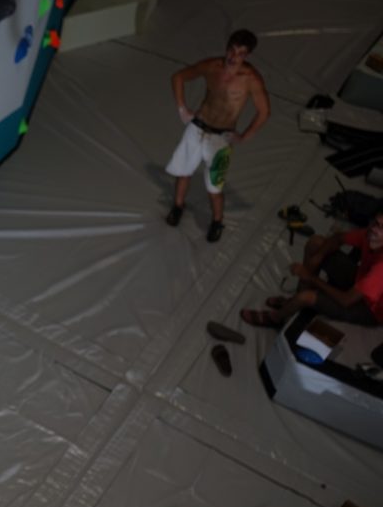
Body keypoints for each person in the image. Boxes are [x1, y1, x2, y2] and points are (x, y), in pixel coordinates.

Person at [164, 29, 271, 242]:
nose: (233, 57)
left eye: (240, 53)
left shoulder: (250, 79)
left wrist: (244, 136)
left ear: (246, 56)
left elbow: (264, 111)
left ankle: (217, 221)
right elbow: (178, 77)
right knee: (183, 172)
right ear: (226, 48)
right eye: (231, 50)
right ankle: (177, 206)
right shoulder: (212, 66)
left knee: (215, 187)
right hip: (197, 128)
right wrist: (182, 110)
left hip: (221, 138)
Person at [241, 206, 383, 328]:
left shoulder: (380, 270)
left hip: (368, 310)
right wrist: (318, 257)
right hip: (360, 281)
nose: (375, 230)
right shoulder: (370, 234)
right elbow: (338, 238)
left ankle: (276, 318)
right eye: (376, 223)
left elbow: (346, 300)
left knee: (306, 297)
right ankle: (295, 302)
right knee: (316, 242)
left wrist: (311, 277)